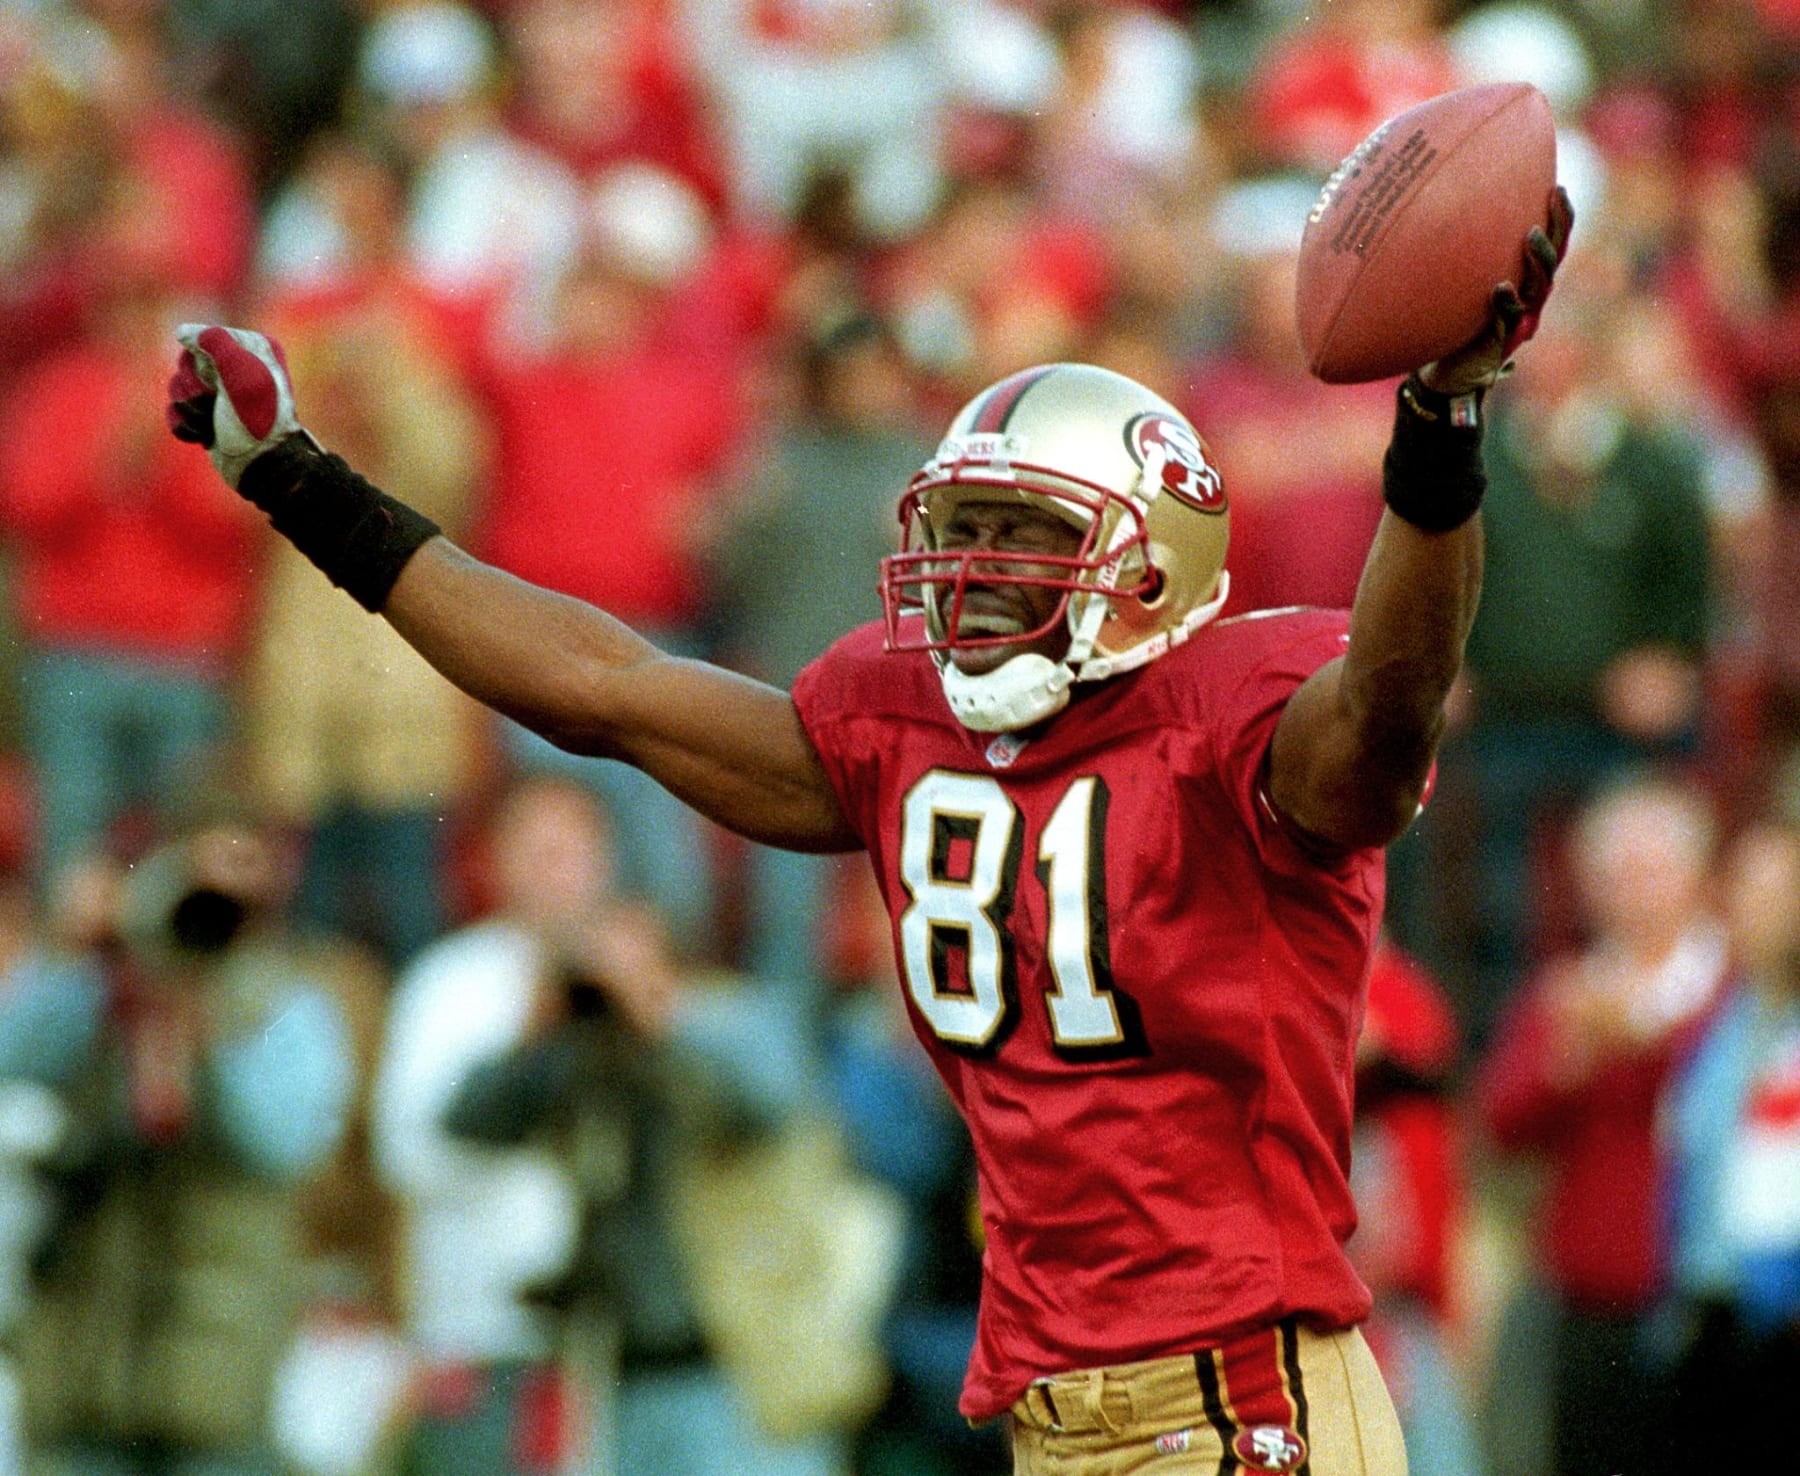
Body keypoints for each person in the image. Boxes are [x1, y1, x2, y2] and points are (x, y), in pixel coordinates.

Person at [163, 182, 1571, 1473]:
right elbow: (602, 691)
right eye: (962, 529)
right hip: (1049, 1404)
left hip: (1242, 1394)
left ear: (1150, 566)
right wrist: (297, 478)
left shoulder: (1243, 721)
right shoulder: (905, 726)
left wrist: (1441, 425)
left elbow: (1393, 698)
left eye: (1027, 536)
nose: (974, 573)